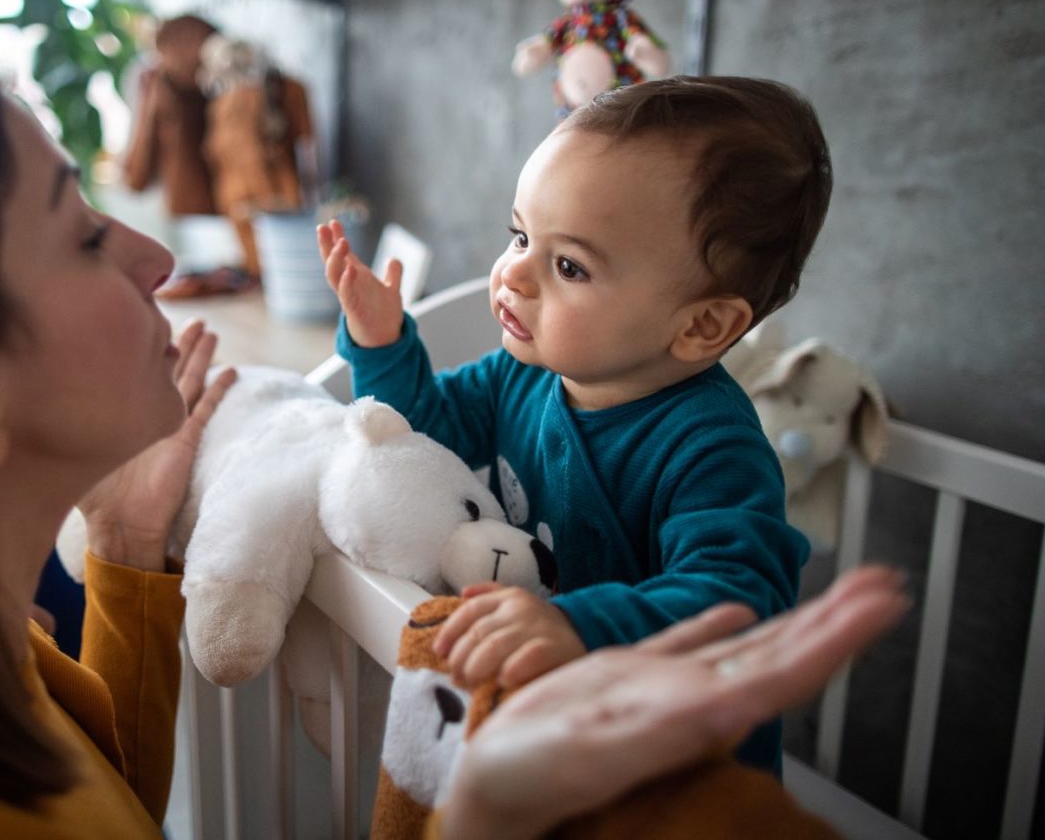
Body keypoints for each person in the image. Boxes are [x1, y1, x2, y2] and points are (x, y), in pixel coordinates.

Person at [0, 57, 899, 840]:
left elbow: (103, 806)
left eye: (568, 261)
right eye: (84, 232)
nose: (155, 256)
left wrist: (132, 553)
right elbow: (414, 429)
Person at [318, 75, 834, 774]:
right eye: (519, 235)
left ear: (703, 324)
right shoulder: (521, 375)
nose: (514, 275)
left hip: (678, 773)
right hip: (557, 740)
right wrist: (382, 346)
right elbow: (421, 437)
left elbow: (738, 601)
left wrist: (579, 625)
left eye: (568, 265)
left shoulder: (712, 448)